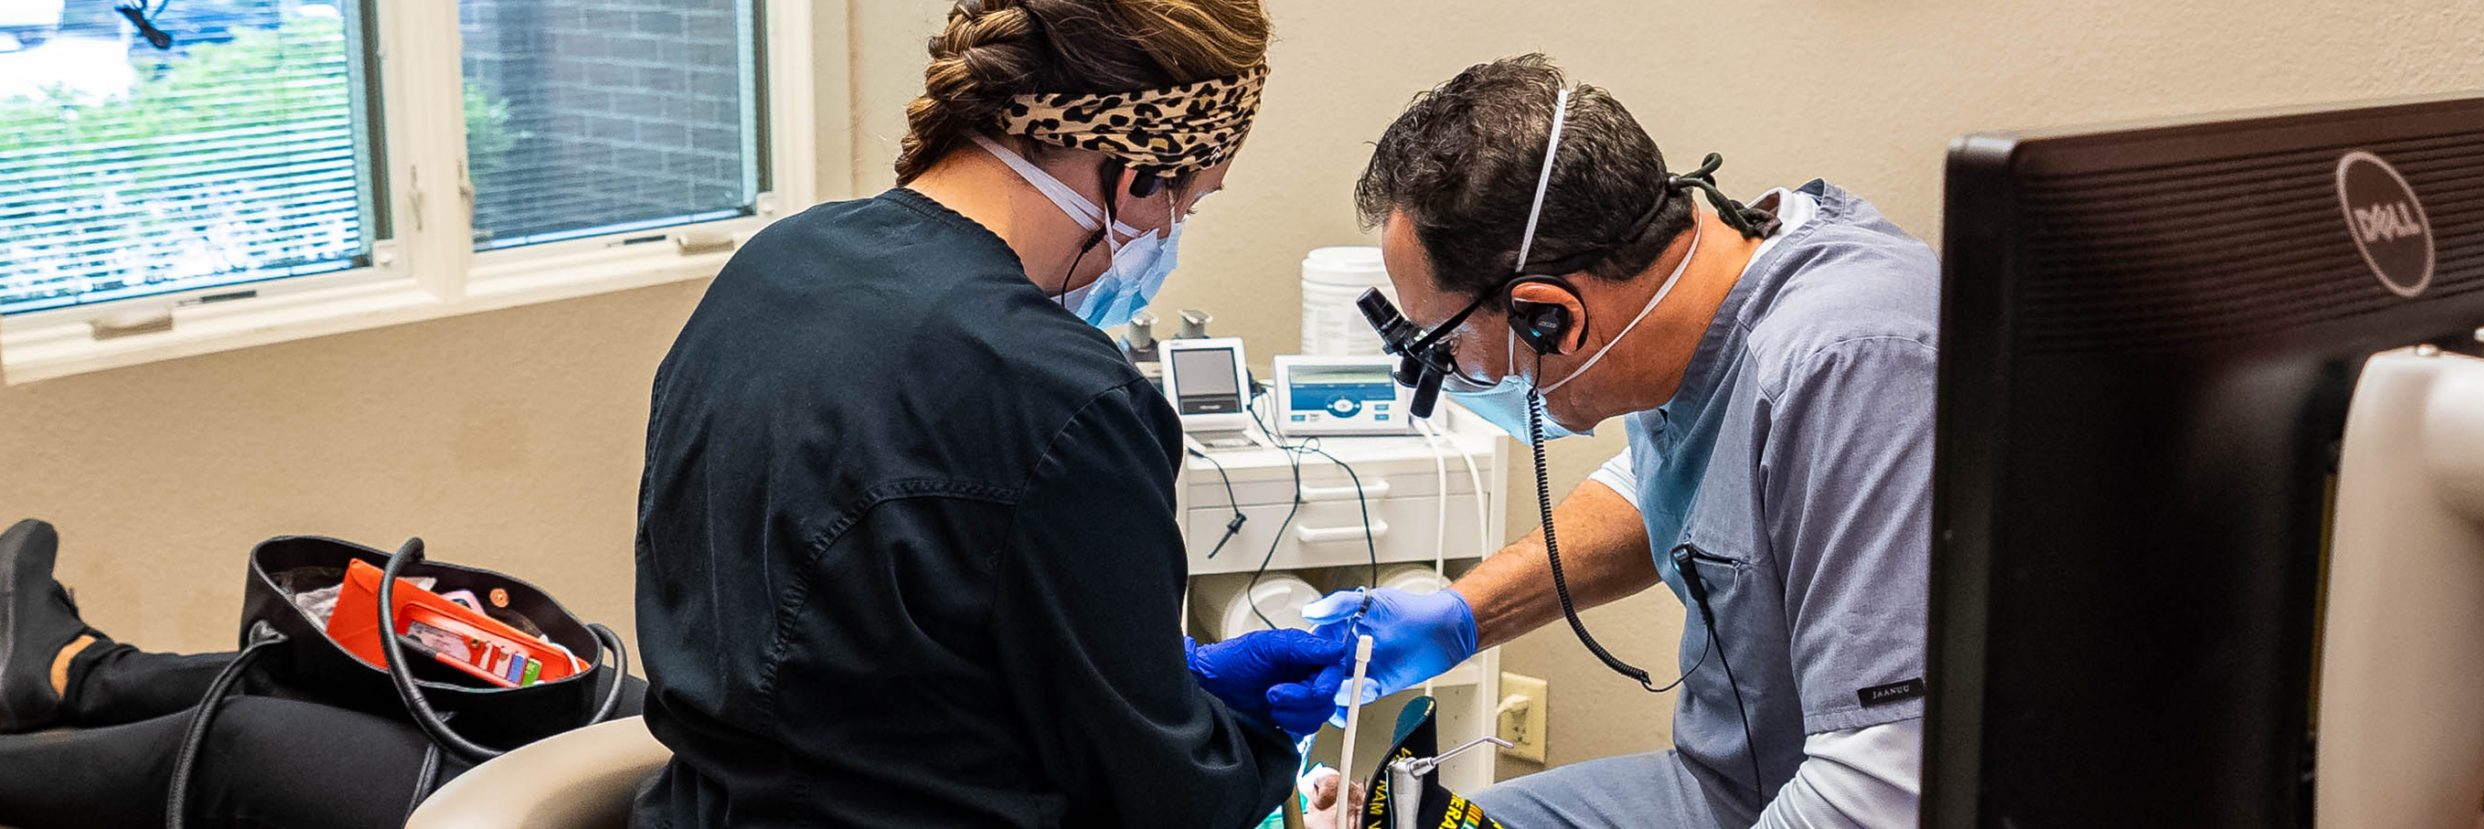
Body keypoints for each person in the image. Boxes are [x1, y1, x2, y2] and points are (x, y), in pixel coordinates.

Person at [630, 1, 1343, 827]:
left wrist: (1167, 674)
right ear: (1139, 172)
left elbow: (880, 658)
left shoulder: (771, 267)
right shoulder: (1066, 397)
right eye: (1190, 202)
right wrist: (1258, 741)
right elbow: (1164, 795)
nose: (1171, 233)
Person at [1308, 55, 1936, 828]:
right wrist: (1459, 615)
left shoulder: (1852, 366)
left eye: (1447, 347)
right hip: (1726, 790)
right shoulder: (1687, 301)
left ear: (1551, 317)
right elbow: (1677, 489)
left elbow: (1880, 788)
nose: (1455, 374)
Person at [0, 518, 649, 828]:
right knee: (336, 676)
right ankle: (71, 672)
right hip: (711, 741)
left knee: (245, 744)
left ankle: (68, 680)